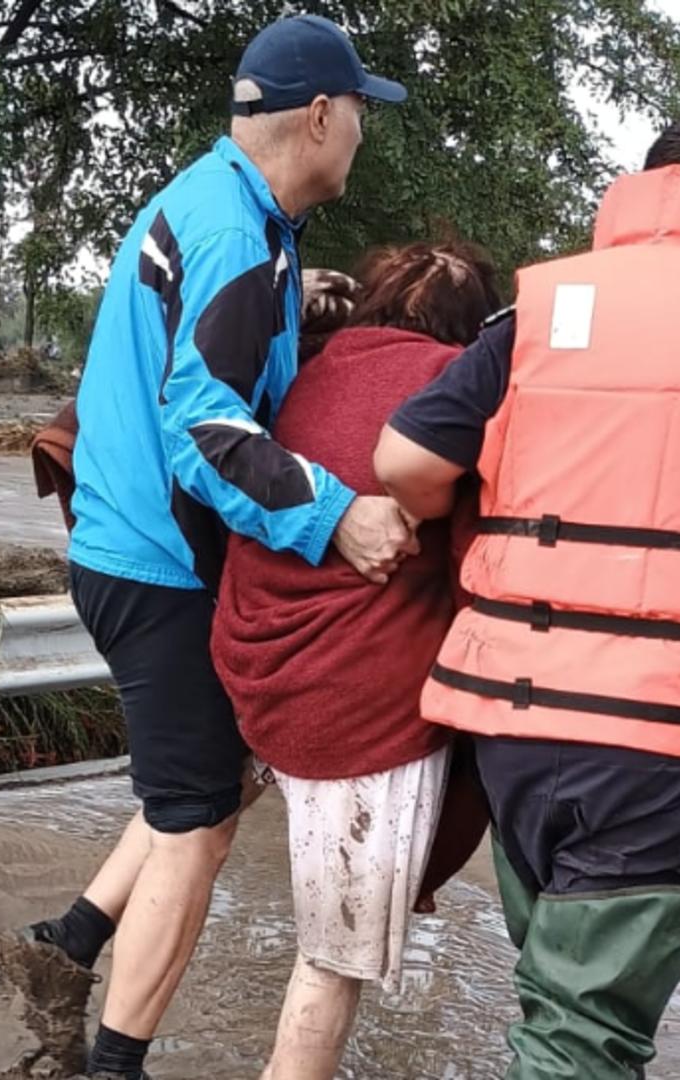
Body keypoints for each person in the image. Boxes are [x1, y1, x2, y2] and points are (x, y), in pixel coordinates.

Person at [373, 110, 680, 1078]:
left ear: (649, 186)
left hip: (515, 717)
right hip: (672, 731)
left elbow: (404, 462)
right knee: (581, 1029)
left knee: (556, 986)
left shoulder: (540, 312)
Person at [5, 16, 414, 1080]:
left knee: (211, 782)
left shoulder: (234, 213)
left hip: (123, 544)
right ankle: (115, 1065)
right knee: (197, 828)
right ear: (319, 117)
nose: (362, 134)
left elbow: (214, 347)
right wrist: (336, 514)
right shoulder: (239, 237)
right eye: (359, 114)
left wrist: (299, 303)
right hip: (160, 568)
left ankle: (71, 941)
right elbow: (207, 429)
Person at [208, 242, 500, 1080]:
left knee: (185, 844)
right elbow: (483, 564)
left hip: (252, 671)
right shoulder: (458, 394)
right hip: (360, 708)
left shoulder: (306, 371)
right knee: (330, 961)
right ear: (472, 329)